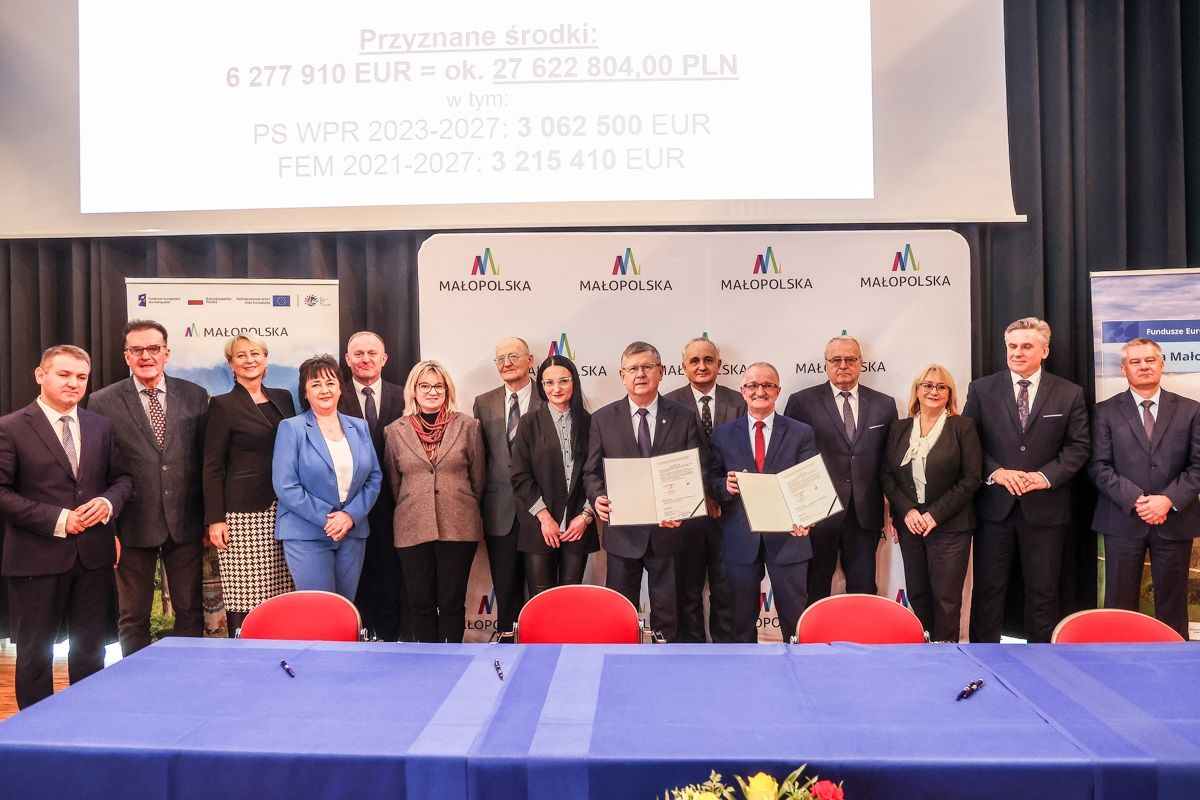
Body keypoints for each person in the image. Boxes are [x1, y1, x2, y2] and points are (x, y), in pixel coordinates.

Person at [0, 345, 133, 709]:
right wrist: (59, 519)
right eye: (64, 374)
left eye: (81, 377)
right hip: (36, 560)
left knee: (91, 649)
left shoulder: (100, 426)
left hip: (93, 557)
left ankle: (85, 720)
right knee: (35, 654)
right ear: (40, 375)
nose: (74, 383)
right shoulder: (10, 428)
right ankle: (36, 730)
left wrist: (108, 503)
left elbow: (122, 479)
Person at [962, 317, 1089, 643]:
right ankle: (981, 660)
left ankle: (1041, 662)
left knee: (1043, 593)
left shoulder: (1069, 393)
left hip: (1046, 510)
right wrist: (996, 472)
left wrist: (1045, 477)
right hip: (994, 509)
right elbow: (968, 443)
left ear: (1044, 350)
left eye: (1027, 346)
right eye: (1012, 346)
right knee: (988, 591)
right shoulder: (981, 389)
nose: (1017, 352)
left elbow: (1079, 447)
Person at [88, 320, 209, 655]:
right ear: (126, 356)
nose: (146, 356)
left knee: (190, 609)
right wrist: (108, 530)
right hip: (130, 524)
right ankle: (136, 677)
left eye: (153, 348)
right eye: (137, 350)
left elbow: (207, 462)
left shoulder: (195, 396)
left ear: (166, 353)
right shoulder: (102, 401)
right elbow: (96, 471)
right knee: (133, 616)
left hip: (185, 521)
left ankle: (186, 675)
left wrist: (208, 518)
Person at [583, 341, 704, 642]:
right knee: (619, 613)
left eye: (647, 367)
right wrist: (597, 498)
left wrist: (683, 508)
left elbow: (695, 471)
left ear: (661, 372)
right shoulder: (602, 419)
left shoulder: (684, 416)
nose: (640, 374)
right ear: (622, 375)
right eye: (633, 368)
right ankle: (620, 663)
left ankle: (666, 665)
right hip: (623, 534)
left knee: (668, 614)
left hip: (669, 532)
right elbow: (591, 472)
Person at [1088, 338, 1200, 639]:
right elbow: (1098, 466)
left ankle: (1173, 660)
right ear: (1123, 369)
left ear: (1162, 364)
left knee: (1173, 604)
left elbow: (1198, 466)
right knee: (1119, 603)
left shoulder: (1191, 410)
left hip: (1174, 520)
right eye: (1135, 362)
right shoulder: (1104, 412)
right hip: (1122, 519)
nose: (1144, 366)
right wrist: (1138, 500)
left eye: (1150, 360)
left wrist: (1168, 500)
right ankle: (1118, 660)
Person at [707, 362, 818, 643]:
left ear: (777, 391)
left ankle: (798, 668)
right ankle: (744, 670)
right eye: (753, 385)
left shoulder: (801, 432)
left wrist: (807, 518)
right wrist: (725, 486)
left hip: (789, 538)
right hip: (740, 538)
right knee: (740, 622)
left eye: (767, 385)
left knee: (795, 621)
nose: (760, 391)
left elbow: (810, 483)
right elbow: (711, 480)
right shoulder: (723, 434)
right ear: (743, 391)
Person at [783, 336, 897, 601]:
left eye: (850, 359)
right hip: (817, 513)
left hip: (864, 514)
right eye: (836, 360)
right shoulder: (801, 402)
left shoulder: (884, 404)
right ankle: (814, 631)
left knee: (863, 590)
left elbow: (891, 461)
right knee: (815, 587)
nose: (843, 365)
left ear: (861, 363)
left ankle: (860, 631)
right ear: (826, 364)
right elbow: (789, 458)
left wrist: (896, 510)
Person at [383, 360, 485, 643]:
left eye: (438, 386)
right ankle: (427, 660)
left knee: (452, 601)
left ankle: (452, 659)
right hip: (412, 525)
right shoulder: (394, 431)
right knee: (420, 602)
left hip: (459, 524)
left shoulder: (469, 426)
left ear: (447, 390)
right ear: (413, 390)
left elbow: (478, 479)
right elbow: (394, 482)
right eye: (425, 386)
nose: (432, 392)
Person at [202, 335, 296, 635]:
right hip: (244, 516)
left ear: (265, 359)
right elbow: (212, 466)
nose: (249, 360)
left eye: (255, 353)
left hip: (286, 509)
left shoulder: (283, 398)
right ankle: (245, 653)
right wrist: (215, 519)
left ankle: (283, 651)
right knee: (246, 596)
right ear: (231, 365)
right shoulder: (222, 405)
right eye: (240, 355)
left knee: (282, 591)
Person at [881, 365, 981, 642]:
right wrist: (907, 511)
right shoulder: (899, 428)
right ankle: (926, 649)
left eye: (941, 386)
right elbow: (887, 475)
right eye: (927, 385)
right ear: (917, 390)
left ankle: (946, 654)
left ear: (949, 393)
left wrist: (934, 514)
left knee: (946, 600)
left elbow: (971, 479)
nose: (933, 391)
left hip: (951, 527)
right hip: (911, 525)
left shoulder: (963, 426)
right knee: (918, 594)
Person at [273, 355, 382, 601]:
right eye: (316, 384)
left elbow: (373, 478)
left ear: (340, 388)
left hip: (351, 533)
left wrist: (350, 515)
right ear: (305, 392)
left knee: (344, 607)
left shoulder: (359, 427)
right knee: (319, 609)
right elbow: (286, 485)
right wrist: (331, 518)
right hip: (307, 534)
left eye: (330, 383)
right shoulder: (292, 428)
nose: (324, 390)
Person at [663, 336, 743, 642]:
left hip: (730, 512)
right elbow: (669, 459)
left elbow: (743, 454)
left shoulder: (739, 402)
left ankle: (725, 649)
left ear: (719, 365)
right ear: (683, 367)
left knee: (726, 589)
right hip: (686, 515)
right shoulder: (668, 404)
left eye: (708, 360)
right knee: (687, 590)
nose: (701, 366)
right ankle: (691, 648)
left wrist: (719, 492)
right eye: (694, 361)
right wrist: (703, 495)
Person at [338, 330, 409, 640]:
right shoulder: (334, 394)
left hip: (396, 503)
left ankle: (393, 641)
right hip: (349, 505)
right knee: (356, 580)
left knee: (393, 578)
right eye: (358, 353)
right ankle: (359, 638)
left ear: (384, 359)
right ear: (347, 359)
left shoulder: (405, 395)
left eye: (372, 353)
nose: (365, 359)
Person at [510, 355, 599, 598]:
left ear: (574, 382)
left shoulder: (590, 422)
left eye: (563, 381)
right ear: (541, 386)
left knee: (570, 598)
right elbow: (520, 475)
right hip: (539, 526)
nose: (556, 388)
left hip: (577, 526)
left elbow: (598, 473)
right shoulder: (529, 423)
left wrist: (586, 516)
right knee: (542, 598)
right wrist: (544, 517)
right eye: (549, 383)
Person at [472, 337, 539, 638]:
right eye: (500, 359)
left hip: (542, 514)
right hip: (500, 514)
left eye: (513, 356)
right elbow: (480, 460)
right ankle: (508, 654)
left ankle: (543, 652)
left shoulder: (549, 395)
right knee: (506, 593)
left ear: (530, 360)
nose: (506, 363)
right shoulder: (483, 402)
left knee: (541, 593)